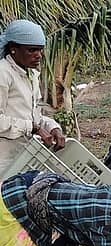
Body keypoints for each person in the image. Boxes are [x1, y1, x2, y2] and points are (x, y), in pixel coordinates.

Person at [0, 20, 65, 171]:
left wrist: (53, 127)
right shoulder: (3, 73)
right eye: (32, 50)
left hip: (23, 155)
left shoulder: (31, 74)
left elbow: (33, 116)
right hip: (4, 160)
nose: (38, 55)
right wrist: (33, 128)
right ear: (13, 49)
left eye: (40, 50)